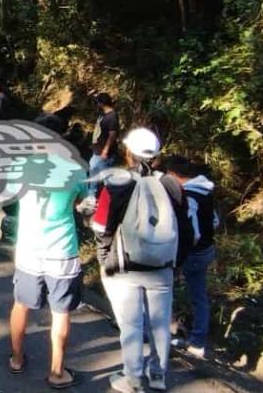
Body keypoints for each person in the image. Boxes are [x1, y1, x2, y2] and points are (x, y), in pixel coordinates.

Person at [91, 128, 191, 393]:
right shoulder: (172, 185)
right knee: (160, 324)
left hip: (123, 266)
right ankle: (158, 375)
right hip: (162, 267)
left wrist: (103, 256)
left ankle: (133, 379)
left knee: (131, 326)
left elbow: (101, 226)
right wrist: (177, 264)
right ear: (158, 154)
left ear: (128, 152)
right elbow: (184, 229)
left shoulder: (117, 181)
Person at [9, 152, 88, 389]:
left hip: (29, 250)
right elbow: (80, 203)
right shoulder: (75, 171)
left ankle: (16, 359)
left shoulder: (19, 167)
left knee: (21, 303)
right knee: (61, 312)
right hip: (62, 251)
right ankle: (56, 372)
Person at [162, 156, 218, 359]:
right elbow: (214, 220)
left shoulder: (189, 196)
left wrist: (179, 251)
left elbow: (192, 233)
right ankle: (197, 342)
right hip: (207, 250)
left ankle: (169, 336)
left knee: (166, 289)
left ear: (173, 175)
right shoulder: (205, 189)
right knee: (199, 296)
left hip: (192, 254)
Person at [88, 93, 120, 198]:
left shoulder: (112, 116)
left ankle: (110, 198)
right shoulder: (103, 114)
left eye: (97, 102)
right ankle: (92, 196)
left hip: (105, 153)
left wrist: (106, 150)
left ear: (102, 103)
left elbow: (112, 135)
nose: (96, 104)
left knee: (106, 177)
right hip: (97, 151)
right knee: (93, 173)